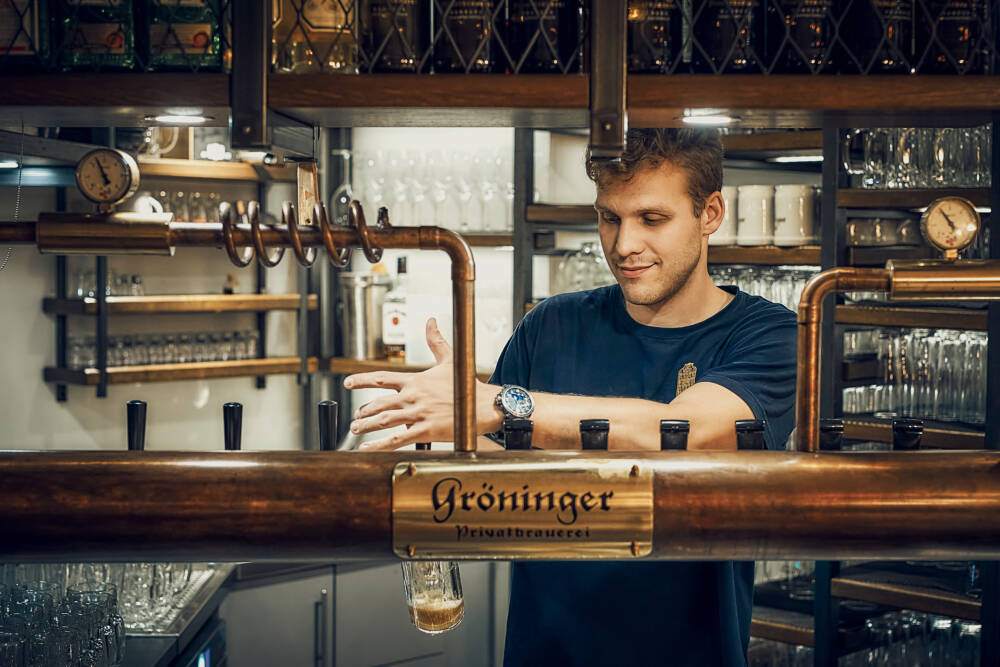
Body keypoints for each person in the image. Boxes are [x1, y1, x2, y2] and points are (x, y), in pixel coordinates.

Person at [344, 128, 798, 666]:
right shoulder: (552, 323)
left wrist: (496, 403)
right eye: (610, 217)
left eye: (652, 219)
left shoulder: (768, 334)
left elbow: (689, 430)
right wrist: (431, 444)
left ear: (711, 213)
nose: (624, 244)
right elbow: (504, 471)